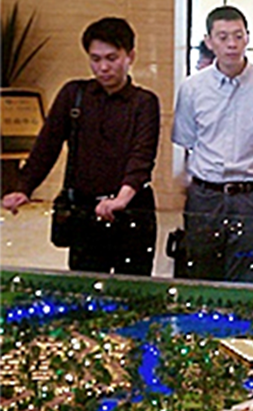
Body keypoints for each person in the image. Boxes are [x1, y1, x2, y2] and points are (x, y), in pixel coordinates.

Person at [2, 17, 160, 275]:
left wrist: (120, 199)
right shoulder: (74, 94)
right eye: (95, 59)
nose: (103, 67)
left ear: (130, 56)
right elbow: (47, 146)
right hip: (85, 211)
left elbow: (142, 156)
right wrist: (24, 187)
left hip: (131, 209)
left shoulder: (144, 102)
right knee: (85, 284)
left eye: (112, 58)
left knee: (132, 286)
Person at [172, 5, 253, 283]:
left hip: (251, 197)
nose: (231, 44)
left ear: (248, 38)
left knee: (249, 278)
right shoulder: (192, 88)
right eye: (222, 37)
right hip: (205, 196)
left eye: (238, 36)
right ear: (209, 41)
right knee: (201, 276)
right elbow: (187, 141)